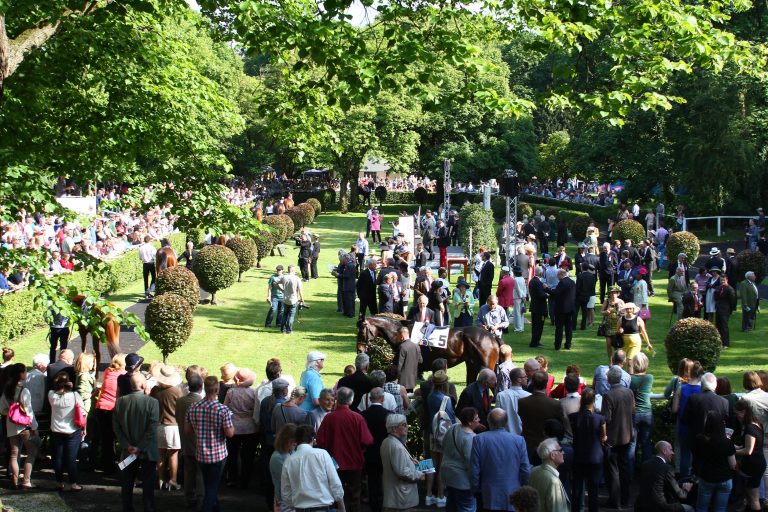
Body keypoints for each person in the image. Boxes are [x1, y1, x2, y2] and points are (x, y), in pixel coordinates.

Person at [316, 386, 373, 512]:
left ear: (337, 399)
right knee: (354, 496)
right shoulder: (357, 418)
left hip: (334, 464)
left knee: (336, 496)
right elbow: (367, 440)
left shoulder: (329, 418)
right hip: (354, 462)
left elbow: (320, 441)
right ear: (351, 401)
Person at [186, 376, 235, 512]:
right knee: (212, 488)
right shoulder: (222, 410)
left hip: (201, 453)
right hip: (217, 455)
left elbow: (187, 430)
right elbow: (230, 433)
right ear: (217, 389)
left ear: (203, 388)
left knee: (209, 486)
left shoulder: (193, 407)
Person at [113, 373, 159, 512]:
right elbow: (152, 427)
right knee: (148, 484)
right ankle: (148, 508)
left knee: (127, 483)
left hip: (127, 451)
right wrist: (140, 447)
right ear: (144, 385)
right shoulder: (152, 402)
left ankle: (127, 508)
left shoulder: (120, 401)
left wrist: (127, 445)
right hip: (147, 451)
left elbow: (116, 426)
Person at [470, 408, 532, 511]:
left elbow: (474, 470)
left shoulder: (479, 439)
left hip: (488, 495)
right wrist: (524, 486)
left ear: (489, 421)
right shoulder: (519, 440)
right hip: (513, 493)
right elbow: (525, 469)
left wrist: (475, 489)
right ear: (506, 422)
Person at [281, 424, 346, 512]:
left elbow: (285, 494)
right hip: (323, 507)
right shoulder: (322, 454)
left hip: (300, 508)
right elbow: (335, 483)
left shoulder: (288, 461)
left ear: (296, 440)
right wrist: (342, 508)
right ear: (312, 439)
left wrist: (296, 504)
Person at [1, 363, 39, 489]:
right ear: (21, 374)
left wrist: (11, 413)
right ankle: (26, 481)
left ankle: (15, 480)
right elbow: (29, 411)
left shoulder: (7, 390)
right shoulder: (24, 391)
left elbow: (2, 409)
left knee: (13, 454)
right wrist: (34, 427)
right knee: (31, 452)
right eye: (25, 372)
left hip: (11, 425)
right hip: (24, 426)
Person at [602, 366, 635, 509]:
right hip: (627, 435)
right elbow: (633, 411)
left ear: (609, 379)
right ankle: (625, 499)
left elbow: (606, 418)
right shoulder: (629, 392)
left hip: (613, 439)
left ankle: (615, 500)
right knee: (624, 468)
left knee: (613, 470)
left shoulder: (608, 395)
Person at [569, 387, 605, 512]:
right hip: (595, 456)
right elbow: (603, 437)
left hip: (578, 455)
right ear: (593, 400)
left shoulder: (573, 417)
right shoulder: (600, 418)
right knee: (593, 489)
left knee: (577, 488)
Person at [48, 371, 85, 492]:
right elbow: (83, 413)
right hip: (72, 430)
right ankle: (73, 483)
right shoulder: (74, 396)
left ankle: (59, 482)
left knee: (57, 457)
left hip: (56, 430)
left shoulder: (51, 395)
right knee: (71, 458)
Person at [692, 411, 736, 512]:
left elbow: (696, 456)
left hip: (706, 477)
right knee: (720, 508)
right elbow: (733, 464)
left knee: (701, 508)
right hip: (724, 478)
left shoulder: (700, 439)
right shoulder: (727, 442)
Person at [223, 367, 258, 489]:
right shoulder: (253, 392)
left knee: (232, 454)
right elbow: (256, 410)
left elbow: (225, 408)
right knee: (248, 455)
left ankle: (232, 479)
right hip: (250, 427)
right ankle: (245, 480)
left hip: (234, 427)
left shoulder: (231, 392)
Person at [149, 364, 183, 491]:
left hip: (159, 425)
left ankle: (161, 479)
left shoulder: (155, 390)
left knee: (160, 455)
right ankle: (173, 480)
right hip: (173, 425)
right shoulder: (177, 391)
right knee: (173, 455)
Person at [634, 441, 694, 512]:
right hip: (660, 507)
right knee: (690, 509)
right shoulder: (667, 468)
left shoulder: (645, 464)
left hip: (642, 506)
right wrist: (686, 489)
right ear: (664, 451)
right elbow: (680, 495)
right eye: (671, 450)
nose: (673, 453)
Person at [425, 370, 456, 507]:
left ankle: (428, 495)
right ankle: (440, 496)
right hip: (443, 435)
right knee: (442, 466)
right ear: (445, 384)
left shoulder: (430, 396)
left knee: (430, 465)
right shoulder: (446, 399)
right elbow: (451, 419)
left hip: (431, 433)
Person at [518, 371, 563, 464]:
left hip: (528, 444)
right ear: (546, 383)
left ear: (532, 383)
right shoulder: (555, 404)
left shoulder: (522, 402)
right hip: (547, 447)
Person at [440, 407, 479, 512]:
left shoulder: (453, 427)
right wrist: (475, 482)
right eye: (476, 418)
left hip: (447, 474)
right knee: (466, 507)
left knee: (451, 504)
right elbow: (470, 462)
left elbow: (443, 444)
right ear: (470, 422)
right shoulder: (471, 438)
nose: (479, 420)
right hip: (462, 480)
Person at [361, 388, 391, 512]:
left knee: (372, 481)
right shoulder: (388, 414)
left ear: (369, 398)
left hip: (369, 452)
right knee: (386, 479)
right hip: (385, 452)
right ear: (383, 399)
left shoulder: (363, 415)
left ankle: (374, 505)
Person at [176, 371, 204, 508]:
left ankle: (188, 497)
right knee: (199, 472)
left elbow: (177, 419)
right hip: (200, 442)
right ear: (201, 386)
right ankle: (200, 498)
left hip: (185, 441)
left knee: (188, 471)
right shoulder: (202, 402)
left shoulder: (180, 401)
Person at [95, 353, 126, 472]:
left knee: (106, 438)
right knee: (113, 438)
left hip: (101, 407)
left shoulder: (108, 371)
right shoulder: (121, 375)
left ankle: (105, 463)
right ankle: (110, 466)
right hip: (111, 409)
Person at [733, 399, 766, 512]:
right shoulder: (757, 424)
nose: (737, 416)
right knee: (750, 493)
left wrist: (733, 451)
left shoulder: (749, 428)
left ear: (743, 412)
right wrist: (736, 447)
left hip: (752, 465)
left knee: (753, 498)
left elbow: (748, 450)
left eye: (737, 413)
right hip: (759, 463)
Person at [529, 438, 570, 512]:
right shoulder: (553, 481)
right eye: (560, 450)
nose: (563, 452)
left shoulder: (534, 470)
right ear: (552, 455)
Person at [629, 353, 654, 466]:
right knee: (646, 443)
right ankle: (646, 471)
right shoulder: (649, 378)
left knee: (632, 444)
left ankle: (630, 474)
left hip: (634, 413)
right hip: (647, 413)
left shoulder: (630, 378)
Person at [545, 268, 577, 350]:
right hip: (570, 308)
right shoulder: (572, 282)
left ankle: (557, 345)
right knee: (568, 328)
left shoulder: (562, 283)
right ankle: (568, 344)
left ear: (561, 275)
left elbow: (555, 293)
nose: (557, 278)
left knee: (559, 328)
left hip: (561, 309)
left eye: (557, 276)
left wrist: (546, 288)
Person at [269, 423, 298, 512]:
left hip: (291, 497)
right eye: (294, 442)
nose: (296, 444)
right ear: (287, 440)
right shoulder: (277, 457)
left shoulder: (290, 451)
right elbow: (286, 480)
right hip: (283, 500)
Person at [617, 303, 652, 368]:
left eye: (630, 309)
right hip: (624, 344)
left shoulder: (638, 319)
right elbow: (617, 332)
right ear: (625, 310)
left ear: (633, 310)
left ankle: (630, 376)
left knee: (630, 361)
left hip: (635, 344)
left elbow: (643, 332)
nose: (629, 310)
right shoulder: (621, 319)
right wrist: (620, 331)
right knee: (622, 361)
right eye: (627, 309)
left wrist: (648, 343)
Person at [279, 265, 304, 334]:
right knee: (291, 316)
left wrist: (282, 290)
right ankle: (289, 330)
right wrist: (302, 299)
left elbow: (276, 283)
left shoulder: (284, 277)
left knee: (285, 314)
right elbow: (300, 290)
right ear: (292, 270)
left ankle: (282, 329)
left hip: (285, 299)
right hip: (293, 300)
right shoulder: (296, 278)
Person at [713, 274, 736, 347]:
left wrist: (731, 310)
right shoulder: (719, 288)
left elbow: (732, 301)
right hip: (718, 309)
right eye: (721, 280)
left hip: (725, 310)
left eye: (723, 280)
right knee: (718, 325)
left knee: (724, 326)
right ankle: (719, 342)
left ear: (727, 280)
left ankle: (726, 343)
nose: (722, 281)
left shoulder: (730, 289)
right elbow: (715, 298)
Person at [529, 266, 548, 348]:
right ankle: (535, 342)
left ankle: (535, 340)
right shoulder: (538, 282)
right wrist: (547, 294)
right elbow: (541, 295)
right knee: (539, 325)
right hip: (539, 307)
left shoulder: (532, 281)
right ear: (540, 273)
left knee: (535, 325)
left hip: (534, 306)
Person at [575, 262, 597, 330]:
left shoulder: (580, 276)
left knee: (576, 311)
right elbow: (592, 286)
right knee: (584, 312)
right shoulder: (592, 276)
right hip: (587, 296)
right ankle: (583, 326)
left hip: (579, 296)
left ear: (582, 268)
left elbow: (577, 287)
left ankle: (573, 325)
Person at [511, 266, 528, 332]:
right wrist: (524, 296)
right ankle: (521, 327)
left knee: (517, 312)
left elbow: (518, 289)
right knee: (521, 312)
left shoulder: (515, 279)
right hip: (522, 297)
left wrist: (521, 296)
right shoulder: (522, 279)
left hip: (517, 297)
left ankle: (518, 328)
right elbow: (524, 288)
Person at [341, 253, 358, 318]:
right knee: (351, 300)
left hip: (348, 285)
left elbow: (347, 276)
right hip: (352, 285)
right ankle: (350, 312)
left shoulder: (348, 266)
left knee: (349, 300)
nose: (343, 261)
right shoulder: (352, 265)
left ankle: (350, 313)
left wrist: (338, 275)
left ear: (346, 259)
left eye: (343, 259)